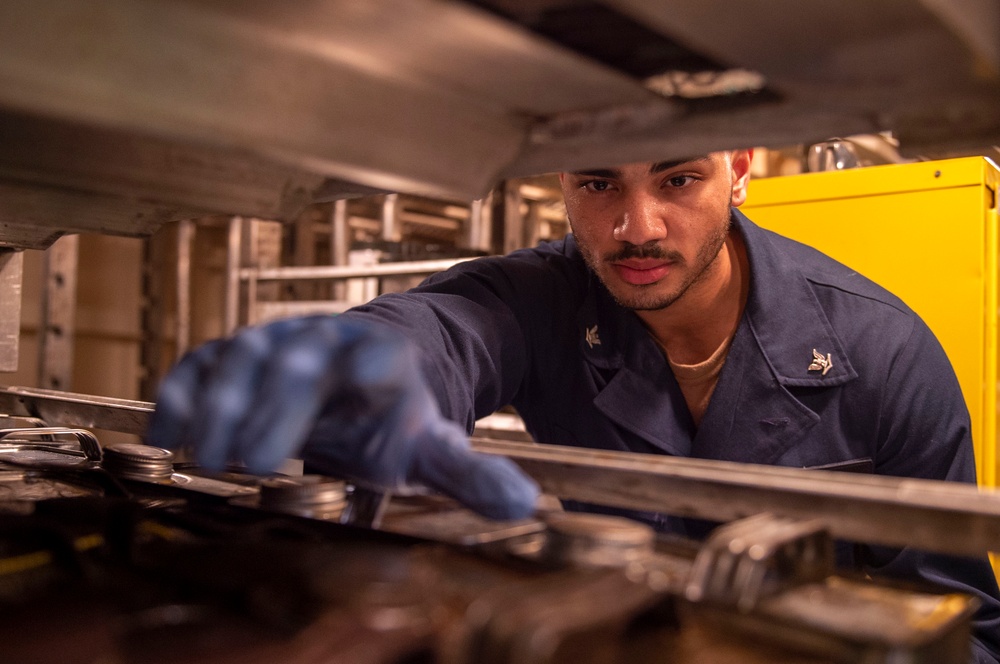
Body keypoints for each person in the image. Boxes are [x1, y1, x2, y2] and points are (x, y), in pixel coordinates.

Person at [149, 150, 1000, 661]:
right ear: (561, 180)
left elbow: (967, 634)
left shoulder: (886, 354)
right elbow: (447, 328)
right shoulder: (550, 298)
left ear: (742, 165)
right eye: (599, 185)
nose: (637, 227)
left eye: (678, 179)